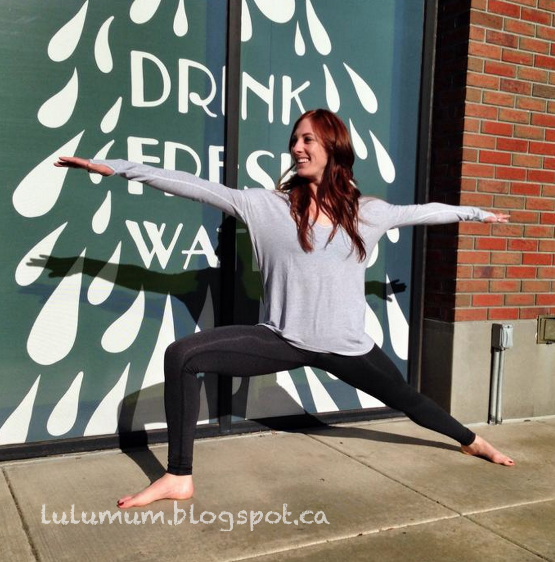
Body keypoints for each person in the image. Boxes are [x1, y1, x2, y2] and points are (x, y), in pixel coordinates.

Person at [55, 108, 514, 509]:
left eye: (308, 139)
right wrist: (117, 168)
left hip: (347, 346)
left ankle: (473, 441)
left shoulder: (368, 213)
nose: (296, 147)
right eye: (294, 139)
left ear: (333, 147)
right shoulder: (264, 206)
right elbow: (190, 186)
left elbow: (424, 212)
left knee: (408, 400)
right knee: (182, 356)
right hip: (283, 339)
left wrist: (477, 214)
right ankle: (179, 476)